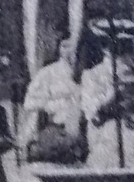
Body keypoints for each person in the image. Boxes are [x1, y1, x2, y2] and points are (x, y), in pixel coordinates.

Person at [78, 27, 134, 169]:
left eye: (127, 44)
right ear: (106, 48)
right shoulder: (92, 75)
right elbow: (91, 112)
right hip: (107, 137)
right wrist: (112, 95)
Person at [17, 36, 86, 164]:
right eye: (65, 46)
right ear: (59, 49)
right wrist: (51, 104)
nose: (70, 51)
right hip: (55, 127)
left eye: (73, 46)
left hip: (82, 128)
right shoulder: (47, 73)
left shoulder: (86, 72)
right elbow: (29, 102)